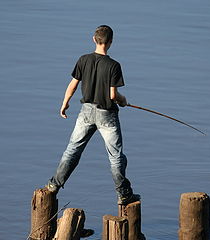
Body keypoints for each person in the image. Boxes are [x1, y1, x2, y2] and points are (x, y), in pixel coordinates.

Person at [46, 25, 140, 205]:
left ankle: (54, 185)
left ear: (93, 39)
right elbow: (113, 96)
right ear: (111, 42)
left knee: (73, 150)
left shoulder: (83, 60)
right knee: (115, 156)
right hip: (107, 116)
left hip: (86, 112)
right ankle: (124, 194)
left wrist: (65, 103)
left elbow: (73, 84)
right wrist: (123, 100)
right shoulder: (114, 66)